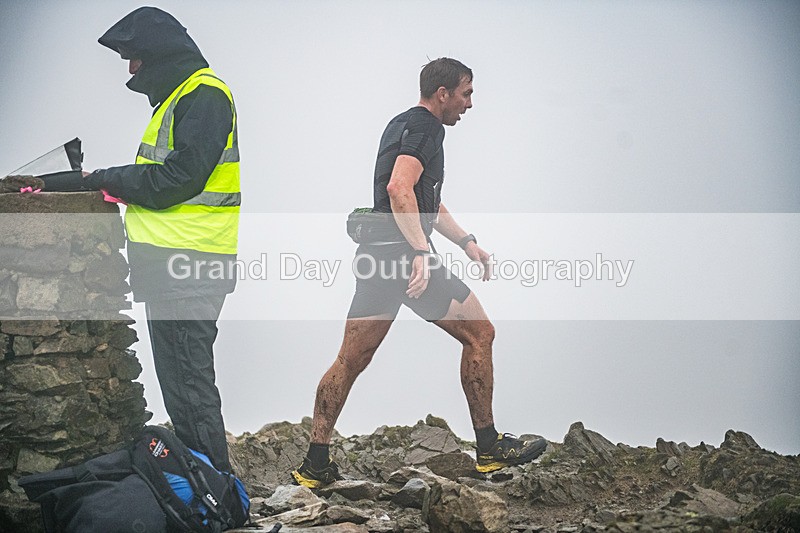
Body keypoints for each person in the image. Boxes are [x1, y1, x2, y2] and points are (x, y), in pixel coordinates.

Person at [292, 58, 547, 488]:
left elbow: (422, 197)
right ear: (443, 93)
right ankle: (489, 447)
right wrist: (421, 253)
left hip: (376, 259)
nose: (470, 104)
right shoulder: (429, 127)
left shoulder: (400, 124)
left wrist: (466, 242)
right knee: (480, 334)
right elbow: (399, 188)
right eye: (466, 93)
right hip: (403, 258)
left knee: (349, 360)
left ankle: (315, 464)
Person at [78, 7, 241, 471]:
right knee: (181, 384)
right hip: (176, 262)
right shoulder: (182, 97)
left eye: (135, 58)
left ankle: (218, 494)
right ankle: (208, 487)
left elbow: (179, 179)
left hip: (189, 261)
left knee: (189, 383)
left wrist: (108, 178)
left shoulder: (204, 95)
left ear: (159, 54)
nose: (132, 70)